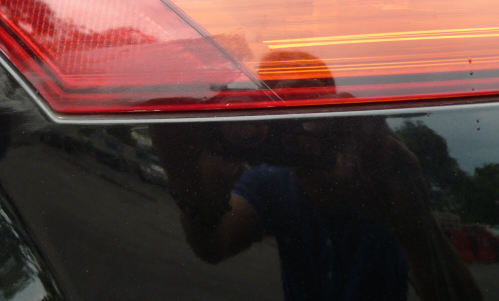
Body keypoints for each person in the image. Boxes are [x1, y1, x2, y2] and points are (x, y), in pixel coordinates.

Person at [152, 52, 482, 301]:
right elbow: (214, 246)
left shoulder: (375, 176)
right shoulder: (273, 183)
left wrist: (412, 220)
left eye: (306, 95)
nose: (291, 115)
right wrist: (193, 185)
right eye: (274, 98)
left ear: (335, 106)